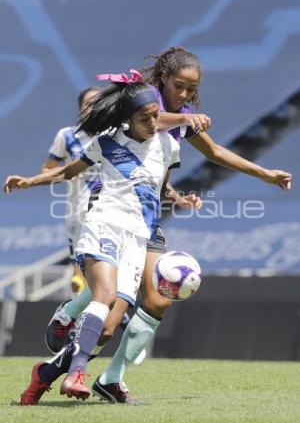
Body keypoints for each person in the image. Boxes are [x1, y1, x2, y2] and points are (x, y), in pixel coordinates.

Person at [40, 47, 292, 405]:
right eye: (179, 86)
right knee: (108, 307)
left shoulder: (182, 115)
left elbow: (214, 153)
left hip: (147, 216)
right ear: (163, 80)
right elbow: (148, 124)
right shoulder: (145, 99)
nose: (185, 95)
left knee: (157, 299)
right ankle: (66, 326)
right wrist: (186, 120)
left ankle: (111, 378)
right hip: (112, 210)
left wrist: (264, 173)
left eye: (191, 89)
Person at [4, 75, 187, 403]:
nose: (154, 123)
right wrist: (29, 181)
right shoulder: (106, 142)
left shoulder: (169, 145)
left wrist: (178, 197)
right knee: (102, 295)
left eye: (156, 116)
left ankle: (45, 373)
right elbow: (65, 172)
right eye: (145, 118)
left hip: (137, 238)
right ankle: (77, 373)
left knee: (106, 328)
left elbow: (157, 186)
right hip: (102, 223)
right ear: (127, 119)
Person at [42, 86, 102, 297]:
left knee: (106, 267)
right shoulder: (67, 136)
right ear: (80, 109)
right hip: (78, 211)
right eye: (88, 104)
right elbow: (47, 170)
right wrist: (69, 171)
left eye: (98, 103)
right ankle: (80, 311)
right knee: (82, 271)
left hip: (110, 212)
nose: (93, 108)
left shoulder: (115, 136)